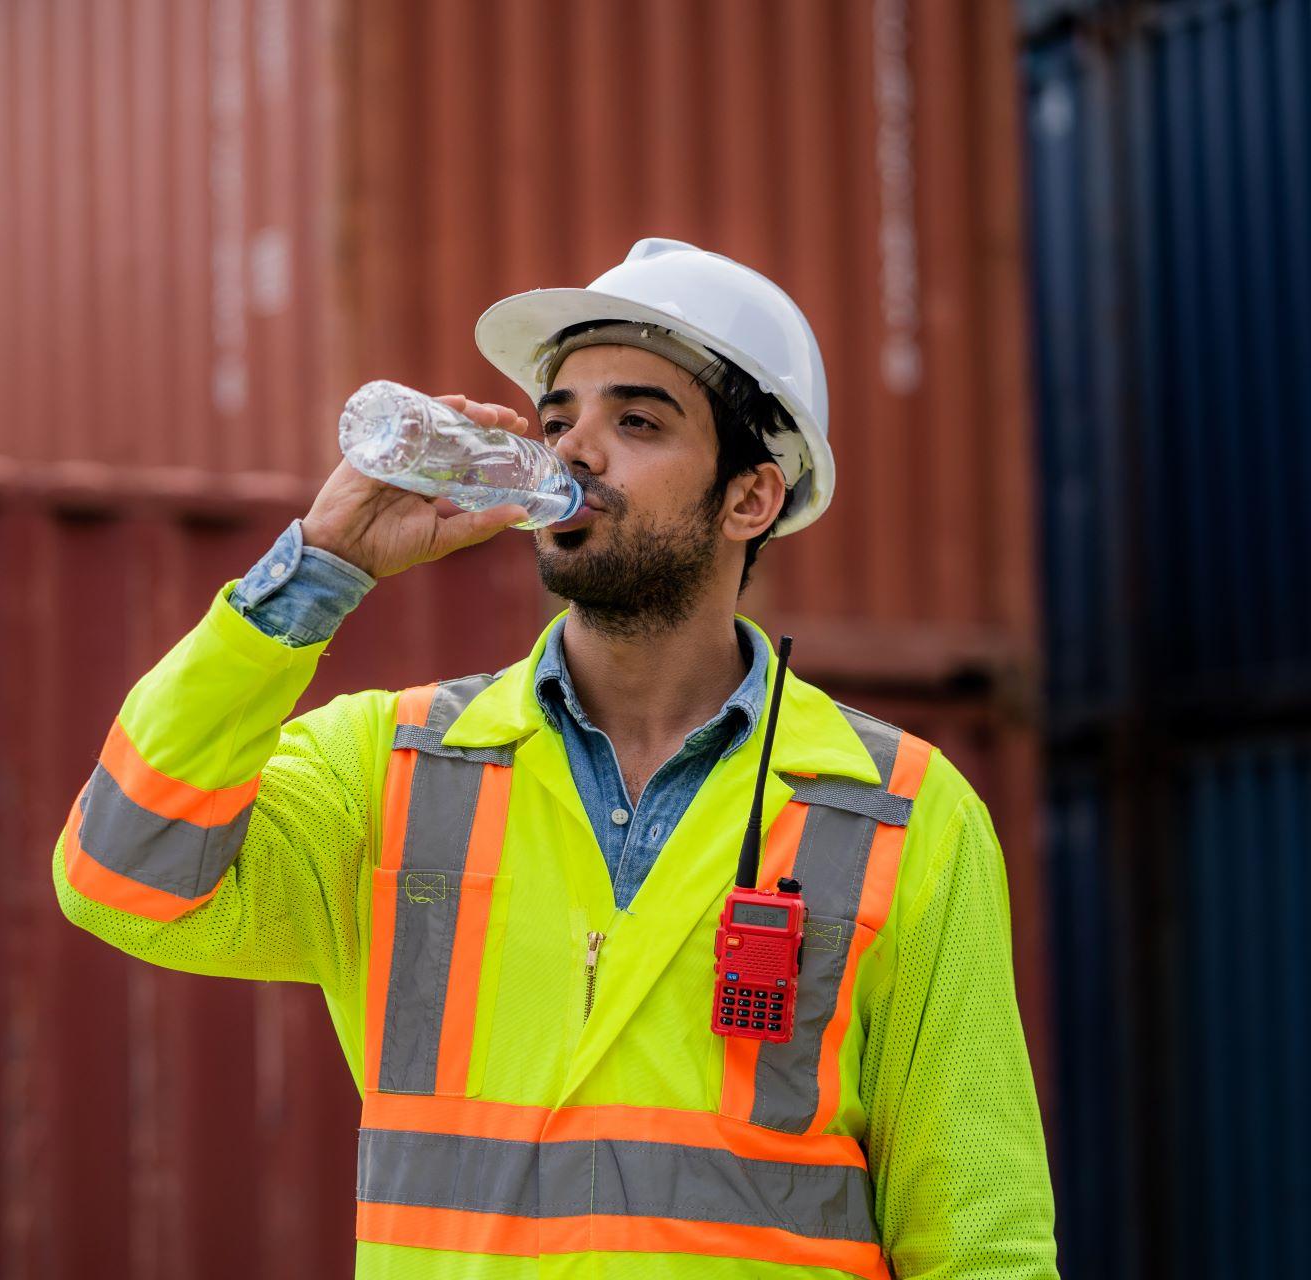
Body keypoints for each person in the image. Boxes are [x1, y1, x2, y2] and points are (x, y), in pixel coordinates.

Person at [54, 239, 1058, 1278]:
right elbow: (119, 875)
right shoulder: (389, 767)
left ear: (749, 500)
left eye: (636, 420)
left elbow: (981, 1231)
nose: (574, 452)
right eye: (557, 419)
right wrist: (319, 567)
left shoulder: (898, 808)